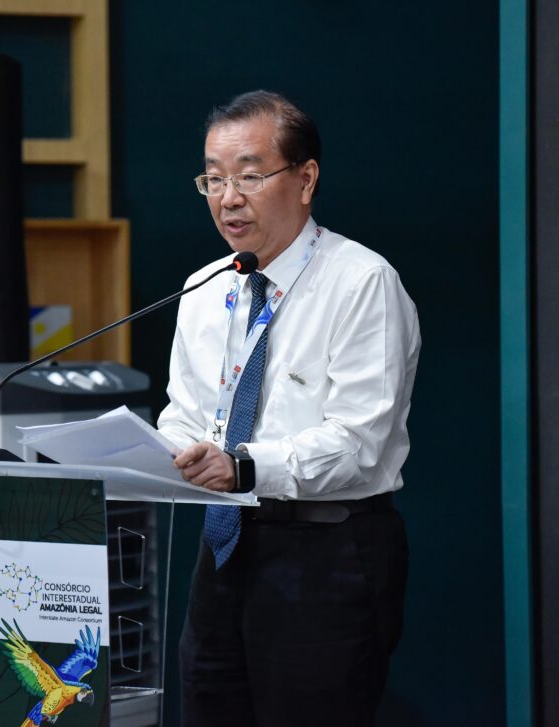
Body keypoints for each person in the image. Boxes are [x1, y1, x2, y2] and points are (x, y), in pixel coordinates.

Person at [157, 90, 421, 726]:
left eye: (249, 175)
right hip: (223, 548)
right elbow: (185, 414)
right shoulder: (205, 287)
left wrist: (241, 467)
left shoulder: (361, 283)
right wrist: (168, 452)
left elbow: (358, 442)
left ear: (305, 180)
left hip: (326, 550)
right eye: (214, 179)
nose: (228, 197)